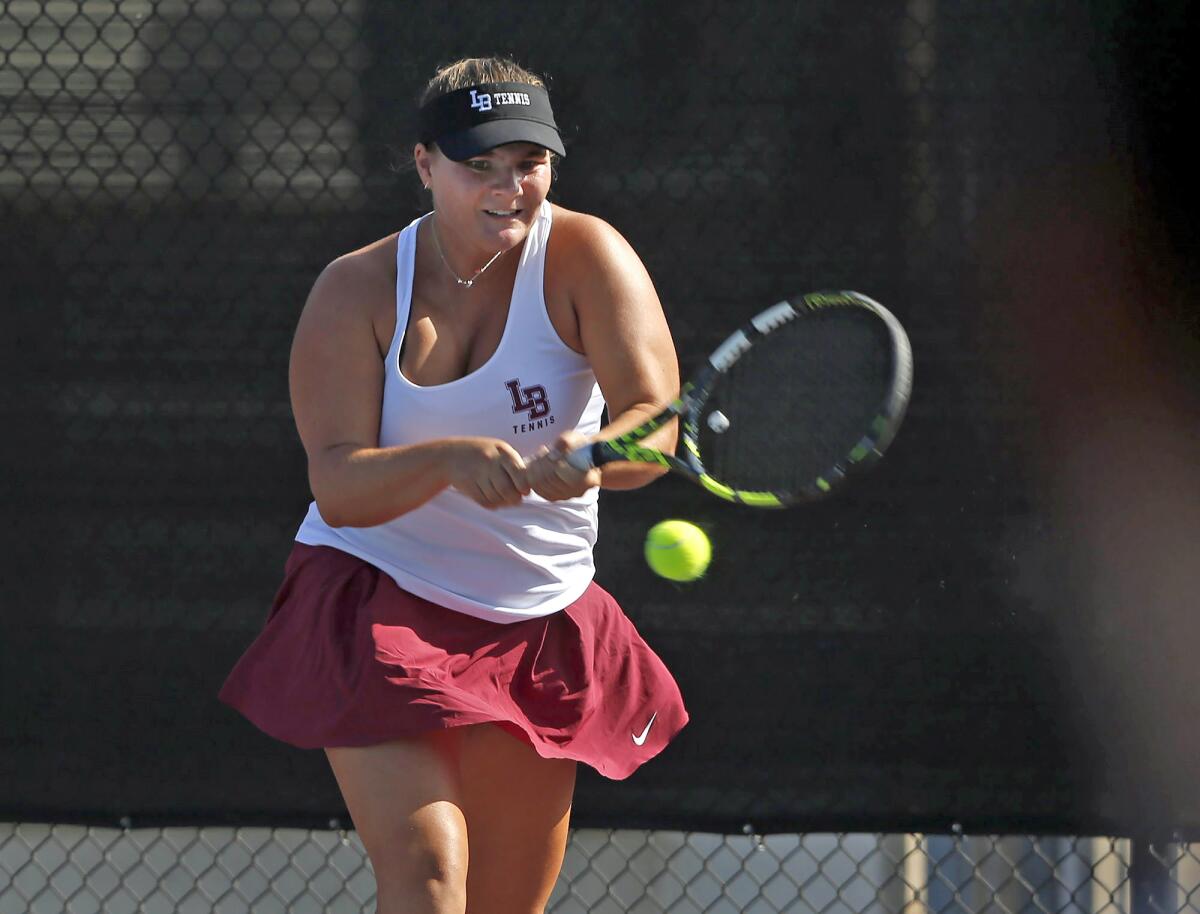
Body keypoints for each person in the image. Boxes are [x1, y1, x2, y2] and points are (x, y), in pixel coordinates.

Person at [219, 56, 688, 914]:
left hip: (534, 612)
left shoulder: (588, 256)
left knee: (506, 904)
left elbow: (654, 429)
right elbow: (339, 485)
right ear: (425, 164)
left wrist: (585, 455)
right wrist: (448, 462)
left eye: (529, 162)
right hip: (377, 595)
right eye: (481, 165)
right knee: (431, 874)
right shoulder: (355, 289)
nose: (510, 186)